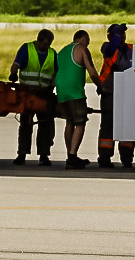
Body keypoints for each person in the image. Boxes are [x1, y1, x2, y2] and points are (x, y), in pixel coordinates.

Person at [10, 28, 57, 166]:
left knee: (45, 124)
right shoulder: (26, 49)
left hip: (44, 94)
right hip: (27, 94)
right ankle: (22, 154)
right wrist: (13, 74)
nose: (46, 47)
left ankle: (44, 155)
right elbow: (15, 66)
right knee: (25, 124)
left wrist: (52, 86)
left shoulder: (52, 54)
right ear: (38, 40)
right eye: (44, 44)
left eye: (48, 45)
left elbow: (56, 73)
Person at [96, 23, 135, 170]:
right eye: (118, 34)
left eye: (123, 34)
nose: (122, 37)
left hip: (129, 94)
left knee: (128, 126)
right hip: (109, 92)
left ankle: (127, 159)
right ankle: (104, 158)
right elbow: (110, 50)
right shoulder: (107, 47)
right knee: (108, 126)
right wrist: (115, 36)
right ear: (110, 36)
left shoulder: (132, 49)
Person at [55, 28, 97, 169]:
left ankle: (70, 154)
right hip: (75, 92)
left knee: (69, 123)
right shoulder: (81, 49)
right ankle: (72, 156)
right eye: (88, 40)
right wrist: (101, 86)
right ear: (83, 38)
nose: (88, 44)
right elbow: (91, 70)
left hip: (62, 92)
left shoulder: (62, 51)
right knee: (80, 123)